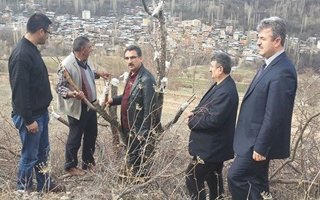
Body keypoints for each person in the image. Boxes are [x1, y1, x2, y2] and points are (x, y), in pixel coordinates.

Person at [227, 16, 297, 200]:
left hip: (257, 143)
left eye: (262, 39)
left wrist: (261, 146)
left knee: (235, 177)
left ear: (277, 41)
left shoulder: (283, 71)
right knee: (257, 183)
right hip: (251, 140)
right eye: (258, 38)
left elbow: (275, 113)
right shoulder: (267, 65)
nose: (258, 43)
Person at [8, 13, 65, 193]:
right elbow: (20, 92)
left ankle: (44, 185)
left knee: (42, 154)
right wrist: (28, 120)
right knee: (30, 155)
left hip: (40, 112)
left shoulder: (31, 49)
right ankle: (23, 189)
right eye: (47, 32)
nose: (48, 36)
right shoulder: (22, 55)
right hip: (31, 116)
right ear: (40, 31)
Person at [186, 52, 239, 200]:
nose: (210, 70)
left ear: (220, 69)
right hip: (214, 148)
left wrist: (192, 121)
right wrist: (194, 112)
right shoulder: (220, 85)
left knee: (192, 178)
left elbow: (214, 120)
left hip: (211, 149)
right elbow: (205, 107)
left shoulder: (226, 92)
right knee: (214, 181)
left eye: (212, 66)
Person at [56, 36, 109, 176]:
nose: (91, 50)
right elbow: (60, 87)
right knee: (75, 137)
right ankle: (70, 166)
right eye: (89, 47)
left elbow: (88, 73)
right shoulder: (66, 65)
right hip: (77, 107)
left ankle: (88, 164)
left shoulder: (86, 61)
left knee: (91, 135)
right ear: (82, 49)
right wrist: (72, 93)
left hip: (91, 105)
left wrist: (99, 74)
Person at [107, 45, 157, 178]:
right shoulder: (132, 75)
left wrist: (143, 132)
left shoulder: (146, 79)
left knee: (137, 162)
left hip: (138, 130)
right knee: (131, 159)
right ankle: (133, 181)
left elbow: (149, 109)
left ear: (140, 58)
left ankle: (139, 187)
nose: (130, 61)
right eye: (127, 58)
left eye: (133, 57)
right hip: (127, 127)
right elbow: (128, 97)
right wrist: (113, 100)